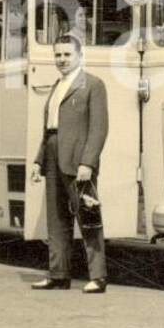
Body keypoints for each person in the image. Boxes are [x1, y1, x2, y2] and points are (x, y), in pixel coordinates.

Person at [29, 34, 109, 294]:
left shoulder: (93, 85)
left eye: (67, 55)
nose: (62, 60)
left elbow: (99, 129)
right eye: (58, 55)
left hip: (77, 162)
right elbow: (49, 129)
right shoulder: (56, 85)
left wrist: (88, 162)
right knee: (56, 219)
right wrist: (39, 161)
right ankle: (58, 274)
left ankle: (97, 277)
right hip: (53, 157)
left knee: (88, 218)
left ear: (79, 56)